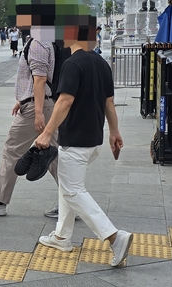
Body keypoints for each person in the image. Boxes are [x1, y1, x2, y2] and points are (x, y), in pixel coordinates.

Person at [33, 18, 132, 266]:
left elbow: (64, 101)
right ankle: (61, 236)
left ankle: (114, 237)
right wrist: (114, 132)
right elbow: (109, 103)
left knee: (73, 190)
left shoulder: (72, 64)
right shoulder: (101, 63)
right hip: (92, 138)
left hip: (75, 138)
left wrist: (47, 133)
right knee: (67, 186)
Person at [0, 13, 59, 217]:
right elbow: (36, 79)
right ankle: (74, 202)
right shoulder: (45, 41)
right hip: (41, 104)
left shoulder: (38, 43)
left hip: (36, 109)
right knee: (54, 156)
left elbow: (40, 79)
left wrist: (36, 112)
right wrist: (23, 99)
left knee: (12, 150)